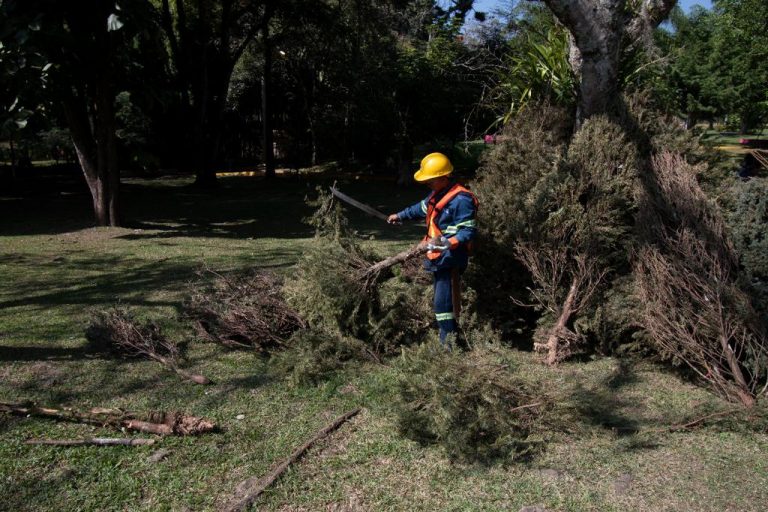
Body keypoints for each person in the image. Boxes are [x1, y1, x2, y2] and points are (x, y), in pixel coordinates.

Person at [387, 152, 478, 346]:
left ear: (443, 177)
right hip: (438, 255)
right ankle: (449, 339)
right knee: (442, 301)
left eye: (430, 180)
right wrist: (400, 215)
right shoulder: (437, 194)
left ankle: (449, 345)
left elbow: (467, 231)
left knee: (442, 304)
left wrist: (447, 243)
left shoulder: (462, 200)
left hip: (451, 257)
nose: (427, 184)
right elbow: (421, 208)